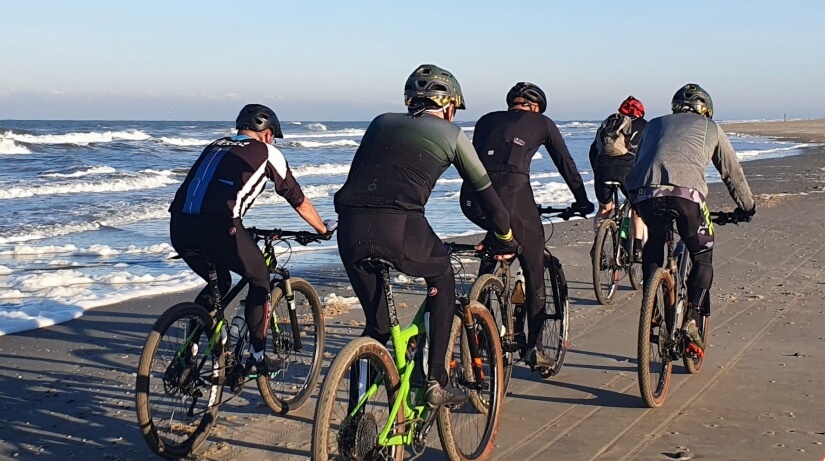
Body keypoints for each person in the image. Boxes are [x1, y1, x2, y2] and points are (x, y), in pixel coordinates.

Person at [333, 64, 519, 408]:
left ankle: (354, 417)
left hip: (350, 228)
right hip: (400, 226)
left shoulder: (379, 123)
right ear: (448, 106)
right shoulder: (452, 135)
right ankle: (435, 378)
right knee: (442, 275)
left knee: (378, 328)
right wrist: (505, 238)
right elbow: (491, 202)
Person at [168, 103, 330, 375]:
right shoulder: (268, 152)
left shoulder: (215, 145)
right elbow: (296, 198)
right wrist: (322, 229)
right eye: (273, 137)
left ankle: (190, 352)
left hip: (180, 226)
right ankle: (256, 357)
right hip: (220, 227)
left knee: (218, 282)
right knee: (260, 279)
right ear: (267, 133)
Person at [624, 83, 756, 355]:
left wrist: (634, 197)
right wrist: (747, 207)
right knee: (703, 255)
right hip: (687, 198)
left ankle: (653, 304)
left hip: (646, 194)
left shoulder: (654, 124)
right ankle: (693, 318)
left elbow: (639, 162)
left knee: (656, 241)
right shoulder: (711, 128)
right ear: (705, 109)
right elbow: (732, 172)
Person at [466, 82, 590, 370]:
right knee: (534, 267)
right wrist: (583, 201)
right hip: (513, 198)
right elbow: (566, 164)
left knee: (498, 233)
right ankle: (534, 348)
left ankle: (480, 308)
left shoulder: (485, 120)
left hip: (472, 199)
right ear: (536, 107)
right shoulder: (542, 122)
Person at [590, 96, 649, 244]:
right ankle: (637, 247)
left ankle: (598, 245)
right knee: (638, 208)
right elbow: (650, 154)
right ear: (641, 112)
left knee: (605, 208)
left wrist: (598, 171)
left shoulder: (609, 125)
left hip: (603, 170)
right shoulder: (645, 126)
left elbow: (593, 151)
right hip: (627, 173)